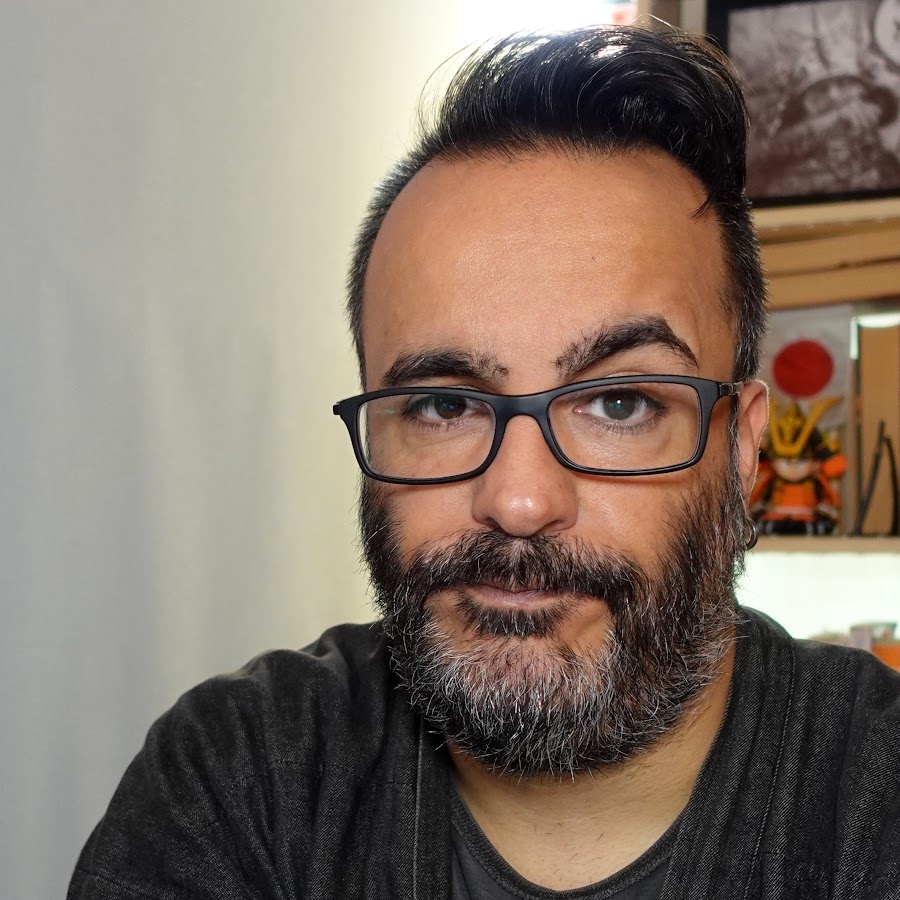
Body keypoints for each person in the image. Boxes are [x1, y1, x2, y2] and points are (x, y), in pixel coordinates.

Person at [68, 25, 900, 900]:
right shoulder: (241, 783)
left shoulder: (874, 802)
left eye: (619, 404)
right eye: (445, 406)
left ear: (741, 448)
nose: (520, 499)